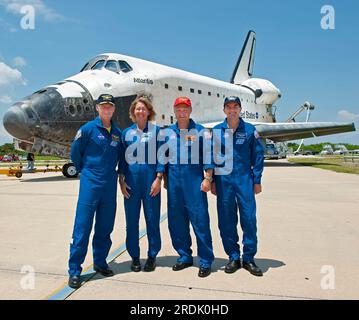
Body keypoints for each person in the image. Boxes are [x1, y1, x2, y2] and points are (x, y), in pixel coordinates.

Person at [68, 94, 124, 289]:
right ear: (97, 108)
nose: (107, 109)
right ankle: (75, 270)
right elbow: (76, 153)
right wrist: (86, 171)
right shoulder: (87, 129)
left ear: (113, 109)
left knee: (105, 228)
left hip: (109, 185)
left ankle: (100, 262)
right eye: (103, 106)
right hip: (90, 184)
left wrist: (120, 177)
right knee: (82, 228)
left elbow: (121, 159)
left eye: (110, 106)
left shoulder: (117, 133)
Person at [159, 96, 215, 278]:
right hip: (174, 184)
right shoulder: (168, 133)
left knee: (200, 221)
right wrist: (163, 177)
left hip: (194, 184)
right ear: (174, 111)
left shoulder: (201, 132)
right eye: (178, 109)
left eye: (185, 109)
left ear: (190, 111)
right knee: (177, 222)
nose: (182, 112)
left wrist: (208, 178)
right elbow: (162, 158)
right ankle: (184, 256)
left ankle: (205, 260)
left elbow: (208, 156)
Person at [211, 96, 264, 276]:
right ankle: (233, 256)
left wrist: (257, 180)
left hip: (244, 181)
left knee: (249, 219)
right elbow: (212, 157)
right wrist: (212, 182)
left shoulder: (250, 130)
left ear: (240, 109)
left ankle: (248, 258)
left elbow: (258, 156)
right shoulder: (217, 131)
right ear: (224, 110)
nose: (232, 110)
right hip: (223, 182)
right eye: (228, 107)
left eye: (235, 106)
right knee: (226, 220)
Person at [120, 96, 163, 272]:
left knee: (152, 219)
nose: (140, 111)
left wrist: (159, 178)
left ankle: (152, 256)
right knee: (131, 221)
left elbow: (162, 156)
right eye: (137, 108)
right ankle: (135, 257)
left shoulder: (157, 132)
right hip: (131, 182)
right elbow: (122, 160)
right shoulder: (126, 133)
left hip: (150, 182)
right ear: (133, 112)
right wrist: (121, 180)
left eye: (143, 108)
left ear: (149, 111)